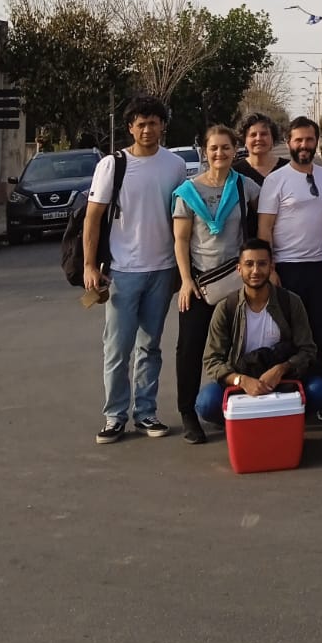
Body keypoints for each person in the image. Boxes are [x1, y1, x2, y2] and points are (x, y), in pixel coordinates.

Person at [83, 94, 187, 445]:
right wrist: (88, 265)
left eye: (153, 123)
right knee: (117, 348)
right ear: (130, 127)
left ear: (162, 126)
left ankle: (146, 413)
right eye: (140, 123)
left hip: (162, 269)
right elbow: (93, 217)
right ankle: (114, 416)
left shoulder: (174, 165)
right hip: (122, 272)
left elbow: (182, 215)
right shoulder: (113, 165)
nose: (147, 129)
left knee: (150, 346)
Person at [172, 123, 253, 445]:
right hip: (199, 283)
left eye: (226, 148)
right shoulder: (187, 192)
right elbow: (180, 240)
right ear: (205, 152)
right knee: (189, 348)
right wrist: (185, 281)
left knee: (239, 347)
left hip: (237, 282)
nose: (220, 153)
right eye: (214, 148)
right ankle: (188, 412)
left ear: (235, 151)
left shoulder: (246, 187)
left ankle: (236, 404)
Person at [257, 116, 322, 412]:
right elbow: (265, 228)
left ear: (316, 141)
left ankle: (319, 395)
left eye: (308, 140)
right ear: (289, 142)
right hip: (287, 269)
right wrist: (271, 269)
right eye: (298, 140)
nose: (304, 145)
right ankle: (289, 395)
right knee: (286, 334)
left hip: (321, 267)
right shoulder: (275, 180)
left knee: (321, 330)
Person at [198, 238, 321, 421]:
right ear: (239, 269)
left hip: (282, 378)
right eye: (249, 264)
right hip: (241, 378)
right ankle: (239, 423)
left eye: (262, 264)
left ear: (272, 267)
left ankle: (291, 421)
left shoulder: (290, 302)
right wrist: (241, 380)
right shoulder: (226, 307)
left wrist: (281, 369)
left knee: (319, 391)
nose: (255, 271)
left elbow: (308, 349)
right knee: (206, 403)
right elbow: (212, 359)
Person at [233, 112, 282, 186]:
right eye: (253, 135)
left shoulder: (289, 169)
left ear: (273, 138)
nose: (258, 138)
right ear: (244, 140)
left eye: (264, 134)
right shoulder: (235, 173)